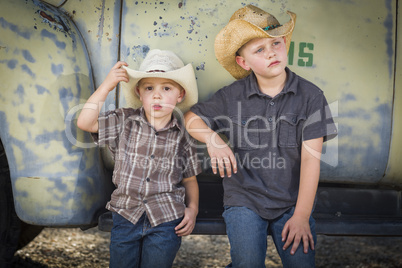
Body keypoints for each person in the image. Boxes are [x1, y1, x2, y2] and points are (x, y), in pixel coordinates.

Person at [184, 5, 337, 268]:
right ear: (243, 62)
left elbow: (312, 162)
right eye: (259, 50)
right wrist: (213, 139)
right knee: (248, 264)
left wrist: (301, 216)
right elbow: (190, 118)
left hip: (291, 201)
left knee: (301, 264)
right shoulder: (232, 96)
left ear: (286, 43)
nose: (271, 53)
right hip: (244, 199)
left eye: (275, 43)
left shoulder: (312, 97)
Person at [77, 49, 201, 268]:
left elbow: (190, 179)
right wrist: (107, 86)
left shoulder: (182, 135)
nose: (157, 95)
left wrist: (192, 210)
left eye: (166, 88)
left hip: (166, 218)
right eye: (149, 88)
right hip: (126, 214)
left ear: (180, 95)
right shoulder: (124, 120)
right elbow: (85, 123)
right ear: (139, 93)